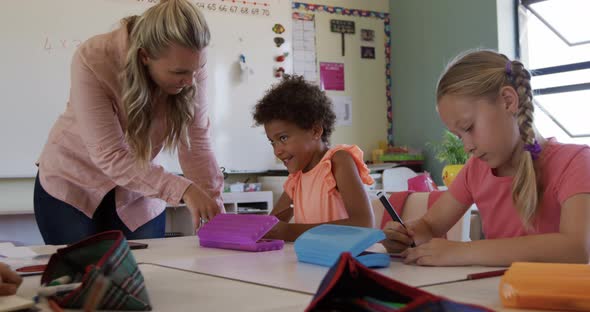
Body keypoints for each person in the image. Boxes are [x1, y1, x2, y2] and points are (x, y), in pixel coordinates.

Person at [34, 0, 224, 245]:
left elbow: (196, 141)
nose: (190, 81)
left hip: (139, 188)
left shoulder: (191, 65)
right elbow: (111, 154)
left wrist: (214, 207)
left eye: (195, 71)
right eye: (179, 73)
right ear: (145, 56)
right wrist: (185, 190)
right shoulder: (94, 57)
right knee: (82, 276)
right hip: (72, 183)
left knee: (145, 274)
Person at [382, 49, 590, 266]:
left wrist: (463, 252)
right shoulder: (476, 170)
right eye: (459, 136)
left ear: (508, 101)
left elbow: (575, 248)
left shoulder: (575, 162)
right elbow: (431, 226)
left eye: (469, 127)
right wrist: (406, 235)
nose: (467, 146)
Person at [253, 75, 375, 241]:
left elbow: (363, 224)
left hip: (341, 262)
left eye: (283, 138)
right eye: (272, 142)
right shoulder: (296, 179)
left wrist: (289, 231)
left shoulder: (338, 161)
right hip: (310, 262)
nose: (277, 151)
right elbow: (270, 226)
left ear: (315, 131)